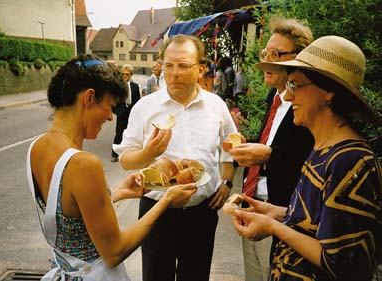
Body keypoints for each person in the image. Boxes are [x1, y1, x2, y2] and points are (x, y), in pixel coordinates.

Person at [26, 54, 197, 280]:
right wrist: (166, 200)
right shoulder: (83, 164)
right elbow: (115, 251)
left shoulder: (36, 148)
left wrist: (117, 194)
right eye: (110, 107)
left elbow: (66, 214)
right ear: (89, 98)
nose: (110, 117)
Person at [233, 35, 382, 281]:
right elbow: (322, 224)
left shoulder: (350, 160)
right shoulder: (324, 146)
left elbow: (340, 262)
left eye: (296, 85)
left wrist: (273, 227)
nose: (288, 97)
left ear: (328, 92)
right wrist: (278, 213)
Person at [113, 34, 237, 281]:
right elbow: (126, 158)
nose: (174, 73)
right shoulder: (145, 107)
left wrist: (227, 183)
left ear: (200, 70)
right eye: (169, 65)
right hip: (157, 212)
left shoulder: (216, 106)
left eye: (183, 66)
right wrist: (149, 153)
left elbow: (231, 146)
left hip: (202, 211)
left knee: (196, 275)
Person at [228, 16, 314, 281]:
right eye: (265, 53)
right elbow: (275, 141)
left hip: (283, 211)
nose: (265, 61)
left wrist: (268, 154)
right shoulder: (274, 97)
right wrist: (248, 142)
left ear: (298, 59)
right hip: (256, 201)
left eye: (275, 54)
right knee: (253, 274)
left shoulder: (307, 102)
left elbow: (311, 158)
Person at [111, 64, 141, 162]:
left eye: (127, 74)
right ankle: (114, 154)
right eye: (123, 74)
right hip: (121, 112)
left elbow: (138, 101)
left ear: (131, 75)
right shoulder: (118, 87)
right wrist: (116, 111)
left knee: (131, 133)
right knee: (119, 133)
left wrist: (136, 113)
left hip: (131, 113)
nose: (124, 76)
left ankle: (129, 153)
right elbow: (113, 101)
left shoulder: (135, 86)